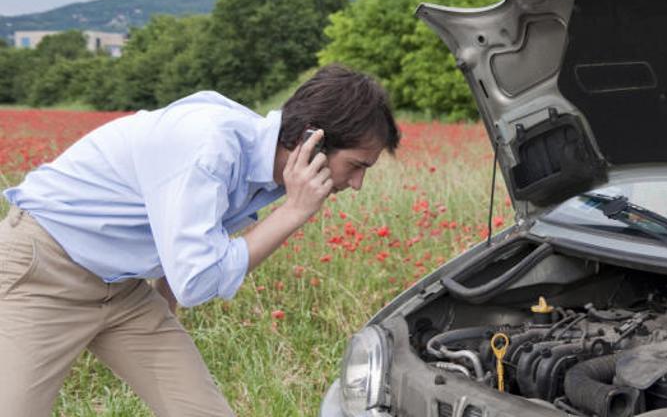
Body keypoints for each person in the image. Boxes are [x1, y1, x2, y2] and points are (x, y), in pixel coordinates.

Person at [0, 64, 400, 416]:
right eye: (356, 166)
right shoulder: (210, 147)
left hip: (121, 289)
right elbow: (198, 281)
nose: (357, 183)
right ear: (311, 141)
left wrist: (163, 303)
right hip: (44, 272)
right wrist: (294, 212)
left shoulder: (264, 167)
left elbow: (187, 237)